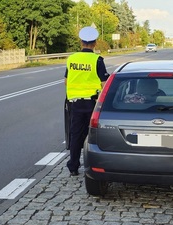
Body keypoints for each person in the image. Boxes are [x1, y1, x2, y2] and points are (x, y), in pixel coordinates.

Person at [65, 26, 109, 176]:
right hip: (92, 103)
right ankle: (93, 165)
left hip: (74, 103)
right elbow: (104, 83)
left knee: (75, 134)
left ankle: (73, 167)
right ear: (95, 43)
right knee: (93, 134)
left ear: (81, 43)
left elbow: (66, 81)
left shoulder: (72, 59)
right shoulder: (97, 60)